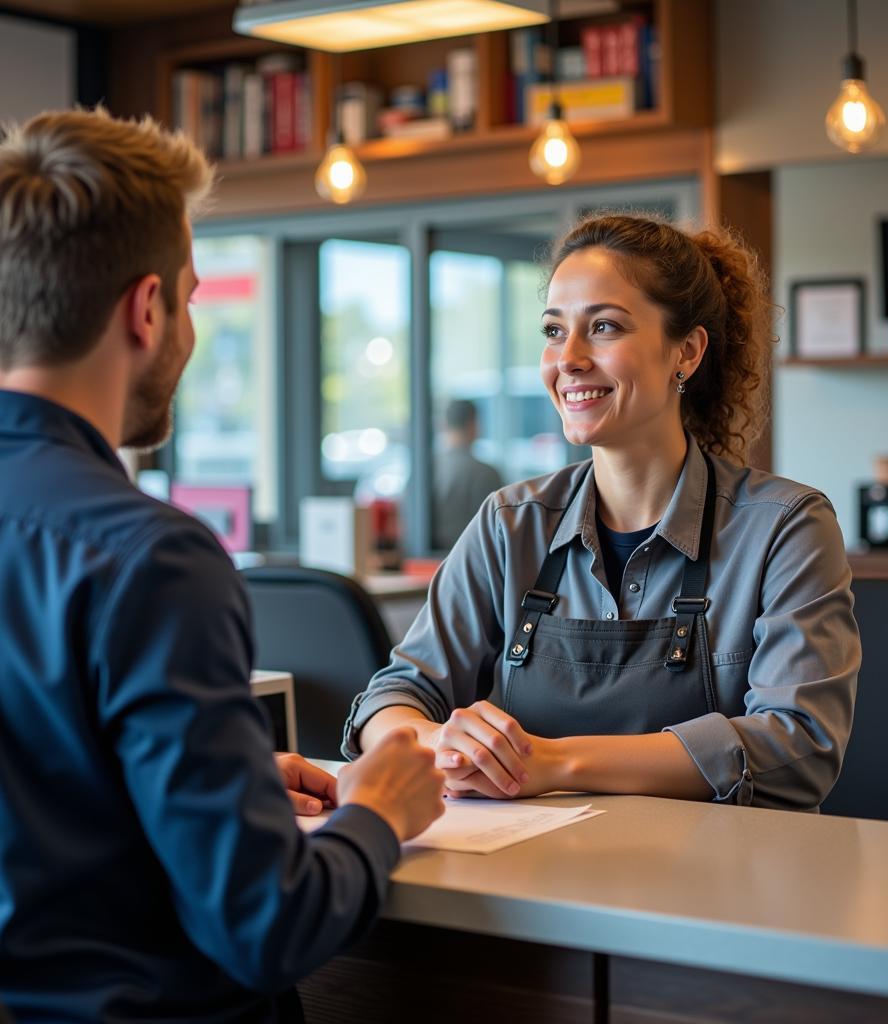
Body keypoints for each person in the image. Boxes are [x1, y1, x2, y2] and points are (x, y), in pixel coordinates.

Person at [0, 108, 444, 1024]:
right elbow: (265, 927)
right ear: (148, 308)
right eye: (194, 298)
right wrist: (381, 811)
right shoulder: (150, 557)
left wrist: (213, 781)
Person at [345, 214, 860, 811]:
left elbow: (799, 744)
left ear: (686, 352)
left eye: (605, 327)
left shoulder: (784, 527)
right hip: (528, 873)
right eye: (553, 330)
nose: (568, 358)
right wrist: (446, 742)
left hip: (720, 884)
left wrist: (553, 762)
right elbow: (393, 697)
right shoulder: (509, 524)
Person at [432, 398, 504, 549]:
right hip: (471, 562)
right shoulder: (486, 474)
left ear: (444, 425)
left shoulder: (427, 471)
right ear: (474, 424)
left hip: (424, 565)